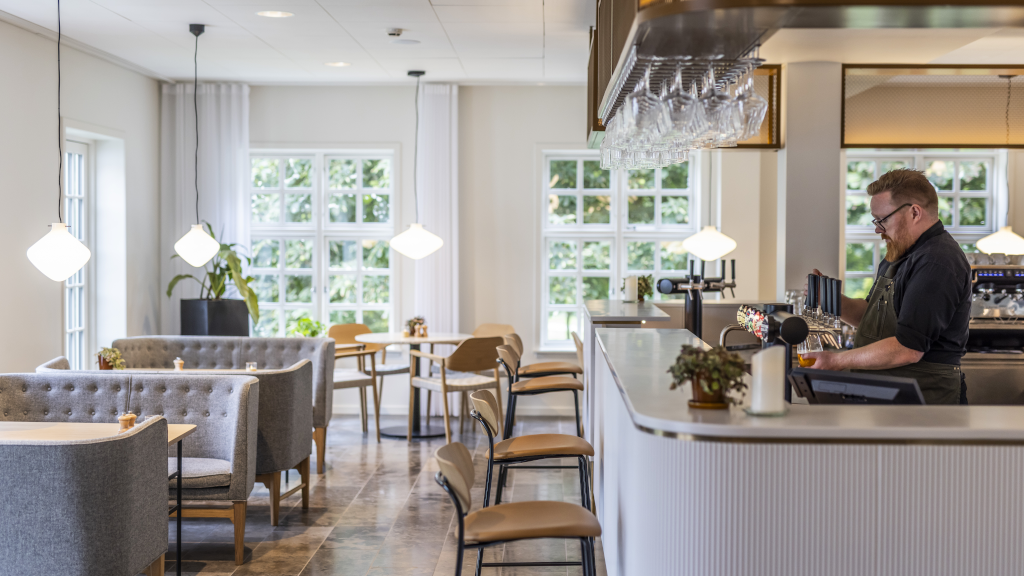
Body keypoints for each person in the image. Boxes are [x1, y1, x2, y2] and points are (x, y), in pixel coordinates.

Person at [802, 169, 971, 404]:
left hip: (924, 400)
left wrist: (836, 361)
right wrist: (830, 300)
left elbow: (908, 349)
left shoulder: (937, 262)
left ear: (914, 212)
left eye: (883, 220)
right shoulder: (901, 254)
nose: (877, 229)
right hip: (890, 393)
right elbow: (872, 318)